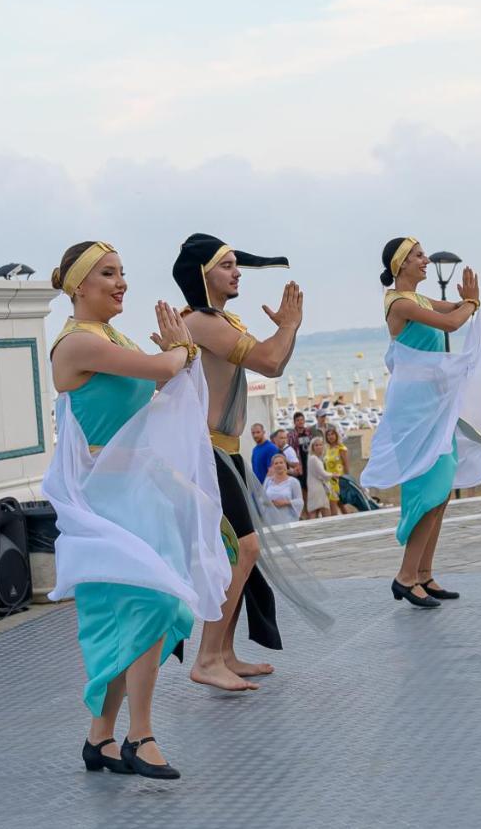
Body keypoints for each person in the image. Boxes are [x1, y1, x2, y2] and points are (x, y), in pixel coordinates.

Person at [46, 240, 230, 780]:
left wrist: (178, 354)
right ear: (79, 285)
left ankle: (100, 738)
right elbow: (163, 367)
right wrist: (181, 348)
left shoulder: (109, 337)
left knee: (144, 612)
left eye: (123, 272)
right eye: (108, 274)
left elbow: (163, 379)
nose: (120, 282)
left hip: (135, 496)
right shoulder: (77, 344)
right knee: (147, 606)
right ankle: (140, 735)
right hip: (105, 503)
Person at [174, 232, 330, 691]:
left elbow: (275, 364)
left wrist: (289, 329)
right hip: (206, 450)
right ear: (203, 274)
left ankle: (224, 653)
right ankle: (206, 658)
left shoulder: (220, 320)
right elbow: (266, 358)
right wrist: (289, 325)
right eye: (226, 265)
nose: (236, 271)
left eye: (235, 264)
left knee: (237, 553)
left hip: (227, 450)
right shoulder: (201, 322)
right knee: (243, 549)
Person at [360, 237, 481, 609]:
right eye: (418, 256)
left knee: (442, 488)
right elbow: (453, 321)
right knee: (429, 489)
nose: (425, 260)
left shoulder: (419, 299)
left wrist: (468, 301)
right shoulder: (401, 302)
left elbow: (453, 308)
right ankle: (405, 576)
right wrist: (470, 301)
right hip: (414, 410)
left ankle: (423, 573)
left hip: (435, 407)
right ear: (400, 264)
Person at [261, 454, 304, 526]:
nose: (279, 465)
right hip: (270, 521)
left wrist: (286, 502)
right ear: (272, 466)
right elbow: (261, 499)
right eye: (276, 463)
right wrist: (268, 503)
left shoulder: (293, 482)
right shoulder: (268, 481)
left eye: (281, 462)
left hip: (288, 520)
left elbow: (300, 501)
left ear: (286, 465)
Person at [322, 426, 348, 516]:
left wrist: (347, 478)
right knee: (339, 505)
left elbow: (346, 464)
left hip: (338, 479)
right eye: (328, 435)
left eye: (332, 434)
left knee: (335, 505)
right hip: (329, 480)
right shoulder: (327, 449)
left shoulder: (341, 448)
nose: (330, 436)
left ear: (336, 435)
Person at [305, 437, 331, 519]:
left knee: (317, 510)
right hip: (317, 488)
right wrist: (334, 475)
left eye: (320, 445)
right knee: (322, 510)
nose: (319, 447)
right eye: (316, 445)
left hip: (316, 486)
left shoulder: (315, 458)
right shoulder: (313, 458)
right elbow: (323, 474)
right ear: (312, 447)